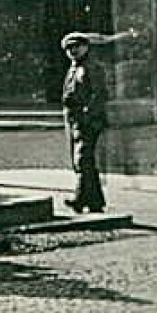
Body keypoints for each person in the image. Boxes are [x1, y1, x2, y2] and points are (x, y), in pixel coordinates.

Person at [60, 32, 108, 213]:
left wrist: (88, 116)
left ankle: (80, 198)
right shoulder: (73, 68)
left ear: (86, 47)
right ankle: (95, 201)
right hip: (74, 119)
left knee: (82, 158)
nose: (73, 51)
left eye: (76, 47)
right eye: (69, 48)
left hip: (88, 120)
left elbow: (99, 94)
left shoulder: (92, 67)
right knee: (82, 159)